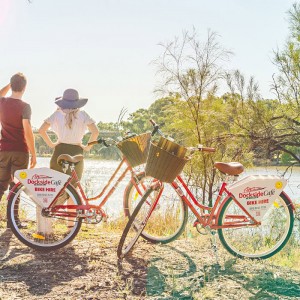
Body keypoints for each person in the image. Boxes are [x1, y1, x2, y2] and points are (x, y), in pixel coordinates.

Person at [39, 88, 99, 185]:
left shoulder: (57, 113)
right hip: (76, 153)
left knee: (56, 190)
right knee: (73, 190)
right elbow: (95, 132)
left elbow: (41, 130)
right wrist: (87, 147)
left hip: (59, 153)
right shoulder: (83, 114)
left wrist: (52, 144)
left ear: (63, 102)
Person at [0, 73, 37, 204]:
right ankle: (13, 221)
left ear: (11, 86)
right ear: (24, 87)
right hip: (20, 151)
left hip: (3, 150)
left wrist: (11, 84)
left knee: (0, 186)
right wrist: (33, 153)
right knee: (16, 187)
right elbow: (27, 131)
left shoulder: (2, 102)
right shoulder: (25, 106)